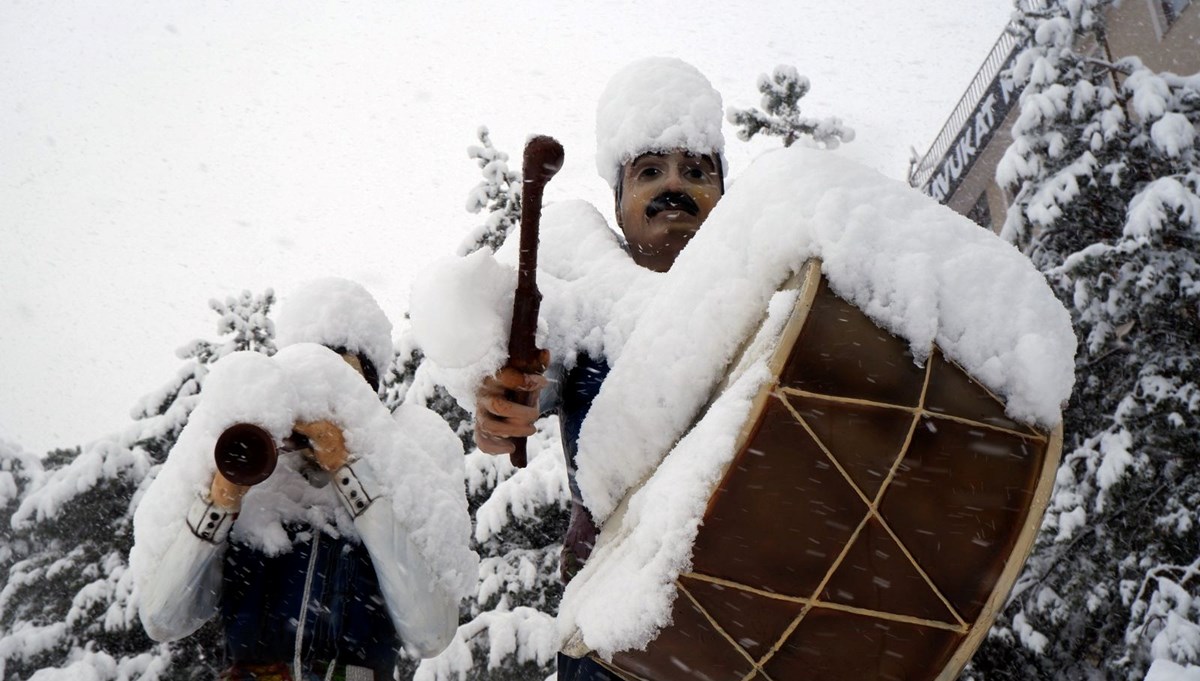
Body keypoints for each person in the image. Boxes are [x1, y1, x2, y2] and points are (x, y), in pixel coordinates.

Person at [471, 57, 726, 681]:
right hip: (613, 630)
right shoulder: (584, 304)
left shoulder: (770, 300)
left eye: (696, 170)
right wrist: (501, 411)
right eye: (649, 172)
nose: (676, 185)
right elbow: (528, 386)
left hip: (748, 617)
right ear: (618, 202)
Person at [131, 278, 472, 681]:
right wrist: (222, 496)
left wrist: (349, 469)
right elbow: (163, 618)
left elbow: (431, 633)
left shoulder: (409, 454)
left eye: (341, 386)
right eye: (308, 379)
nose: (319, 401)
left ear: (366, 398)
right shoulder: (256, 465)